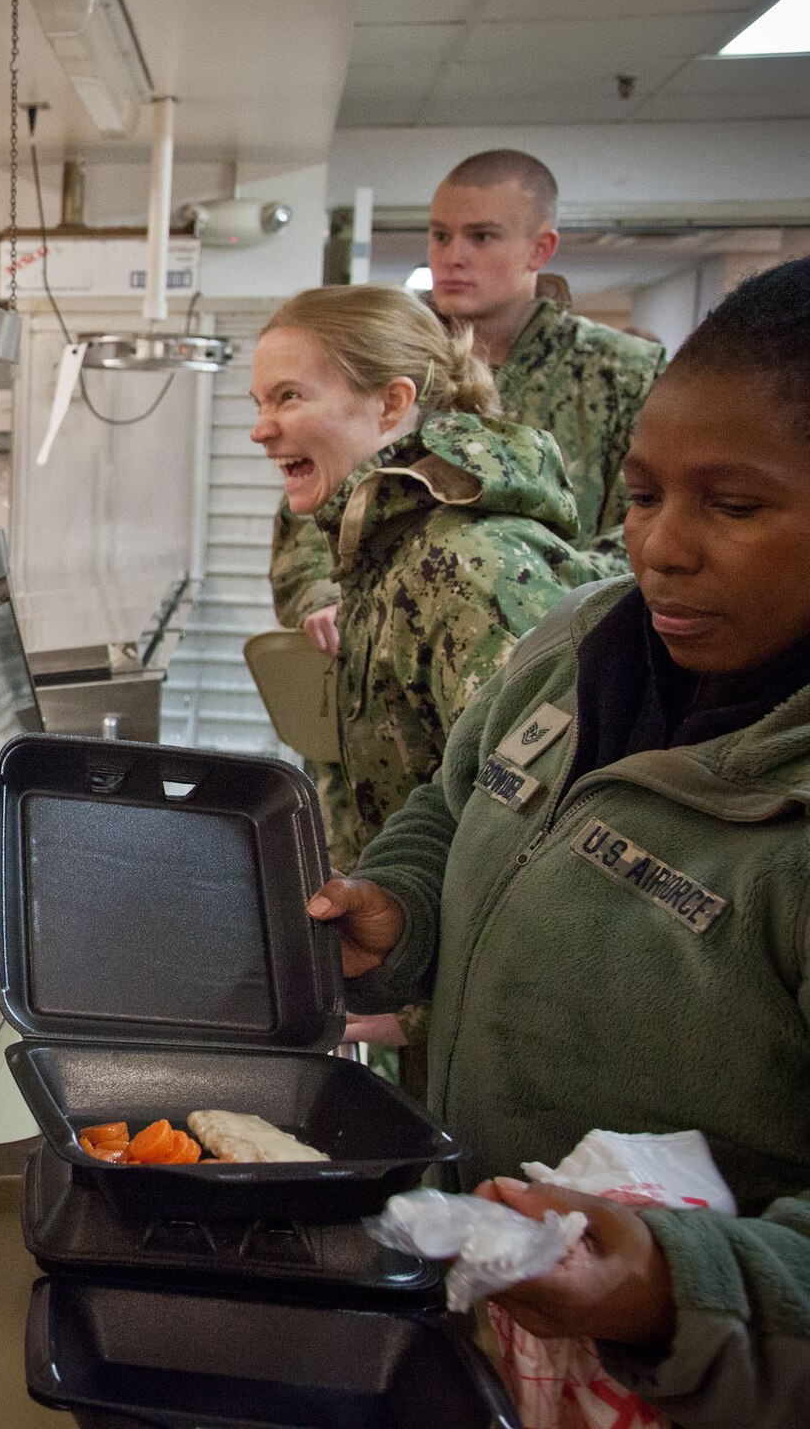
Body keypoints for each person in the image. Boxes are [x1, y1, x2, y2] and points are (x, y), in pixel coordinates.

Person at [311, 257, 810, 1427]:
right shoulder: (583, 638)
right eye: (639, 495)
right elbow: (451, 798)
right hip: (489, 1321)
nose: (660, 550)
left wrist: (668, 1288)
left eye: (730, 506)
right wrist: (400, 908)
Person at [250, 284, 599, 870]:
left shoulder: (468, 565)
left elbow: (539, 825)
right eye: (257, 403)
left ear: (391, 404)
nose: (261, 430)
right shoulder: (380, 556)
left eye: (287, 398)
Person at [273, 150, 667, 657]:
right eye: (440, 235)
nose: (452, 255)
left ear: (540, 249)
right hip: (388, 660)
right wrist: (326, 601)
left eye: (481, 237)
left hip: (565, 663)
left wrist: (525, 601)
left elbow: (654, 520)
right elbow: (314, 498)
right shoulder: (394, 362)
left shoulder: (623, 373)